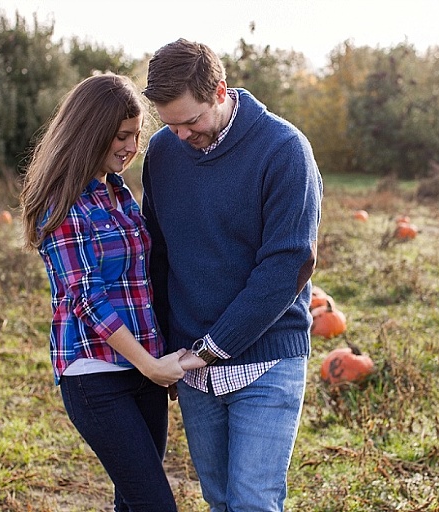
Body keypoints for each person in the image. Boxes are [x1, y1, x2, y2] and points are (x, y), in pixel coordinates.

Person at [141, 39, 323, 511]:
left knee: (253, 502)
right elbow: (158, 255)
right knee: (219, 500)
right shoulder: (162, 153)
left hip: (265, 362)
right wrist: (166, 349)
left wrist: (213, 347)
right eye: (170, 124)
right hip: (192, 369)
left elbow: (288, 266)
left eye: (191, 121)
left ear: (220, 91)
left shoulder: (283, 150)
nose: (181, 134)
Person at [19, 73, 185, 512]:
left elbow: (143, 280)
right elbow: (86, 298)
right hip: (96, 375)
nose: (132, 147)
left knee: (131, 503)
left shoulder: (118, 192)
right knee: (154, 505)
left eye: (136, 135)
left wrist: (158, 359)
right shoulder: (62, 202)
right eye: (121, 136)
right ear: (91, 132)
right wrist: (150, 364)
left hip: (144, 366)